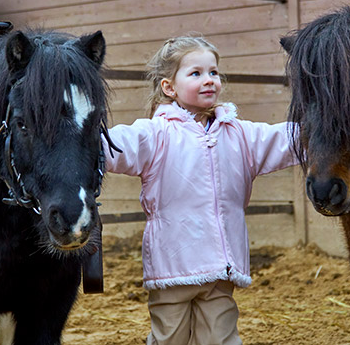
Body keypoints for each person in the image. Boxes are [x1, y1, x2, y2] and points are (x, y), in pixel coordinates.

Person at [103, 35, 297, 344]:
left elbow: (285, 139)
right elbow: (115, 145)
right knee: (169, 338)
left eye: (214, 72)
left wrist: (326, 127)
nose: (209, 80)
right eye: (196, 73)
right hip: (172, 269)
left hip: (221, 270)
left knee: (221, 338)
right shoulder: (155, 134)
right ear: (169, 87)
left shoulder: (240, 134)